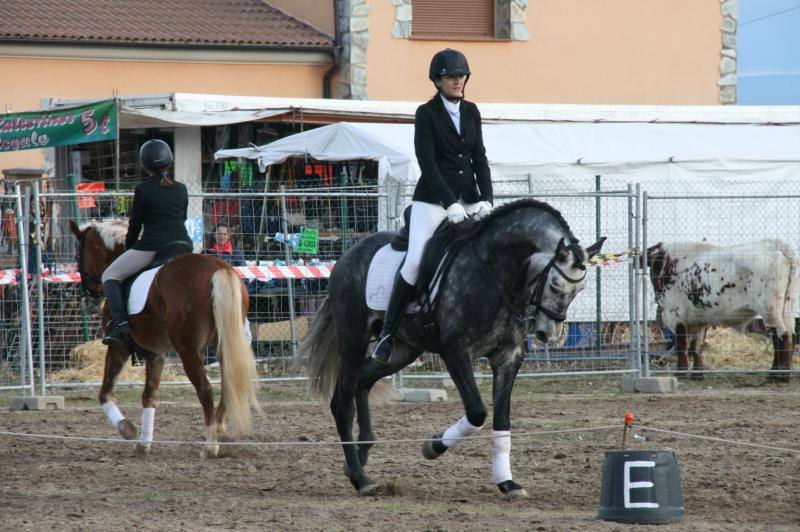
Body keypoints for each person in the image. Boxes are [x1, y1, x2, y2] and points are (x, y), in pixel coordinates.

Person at [372, 48, 494, 363]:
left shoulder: (472, 111)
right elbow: (427, 162)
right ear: (438, 80)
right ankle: (387, 332)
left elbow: (479, 157)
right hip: (432, 201)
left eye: (461, 75)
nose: (457, 80)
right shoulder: (426, 114)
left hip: (467, 199)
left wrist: (487, 199)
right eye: (451, 76)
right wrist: (448, 202)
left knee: (484, 258)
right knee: (414, 261)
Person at [100, 139, 191, 347]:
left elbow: (135, 225)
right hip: (183, 245)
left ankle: (121, 324)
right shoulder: (181, 188)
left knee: (110, 276)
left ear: (144, 165)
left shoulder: (142, 189)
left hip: (153, 247)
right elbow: (182, 217)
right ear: (169, 161)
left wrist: (130, 247)